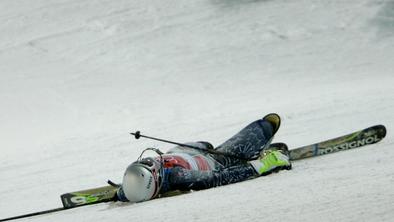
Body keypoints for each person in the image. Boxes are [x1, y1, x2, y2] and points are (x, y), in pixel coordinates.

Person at [116, 113, 292, 202]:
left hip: (188, 151)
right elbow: (220, 178)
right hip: (218, 160)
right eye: (150, 165)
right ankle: (269, 154)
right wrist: (260, 166)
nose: (150, 160)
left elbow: (124, 192)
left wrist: (118, 193)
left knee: (205, 144)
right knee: (264, 126)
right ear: (154, 179)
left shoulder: (133, 185)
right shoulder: (180, 177)